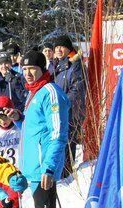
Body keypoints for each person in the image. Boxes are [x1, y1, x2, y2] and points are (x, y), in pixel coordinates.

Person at [12, 51, 69, 208]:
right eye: (24, 69)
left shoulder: (50, 92)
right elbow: (34, 130)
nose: (27, 73)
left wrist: (50, 167)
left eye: (32, 69)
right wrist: (16, 119)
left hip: (43, 169)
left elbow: (58, 134)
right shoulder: (34, 93)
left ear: (42, 69)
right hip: (32, 168)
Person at [50, 35, 85, 179]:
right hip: (55, 112)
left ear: (68, 48)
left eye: (61, 46)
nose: (58, 49)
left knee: (67, 147)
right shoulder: (55, 66)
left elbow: (77, 89)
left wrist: (62, 103)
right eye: (56, 47)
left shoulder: (74, 65)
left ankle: (66, 178)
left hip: (69, 113)